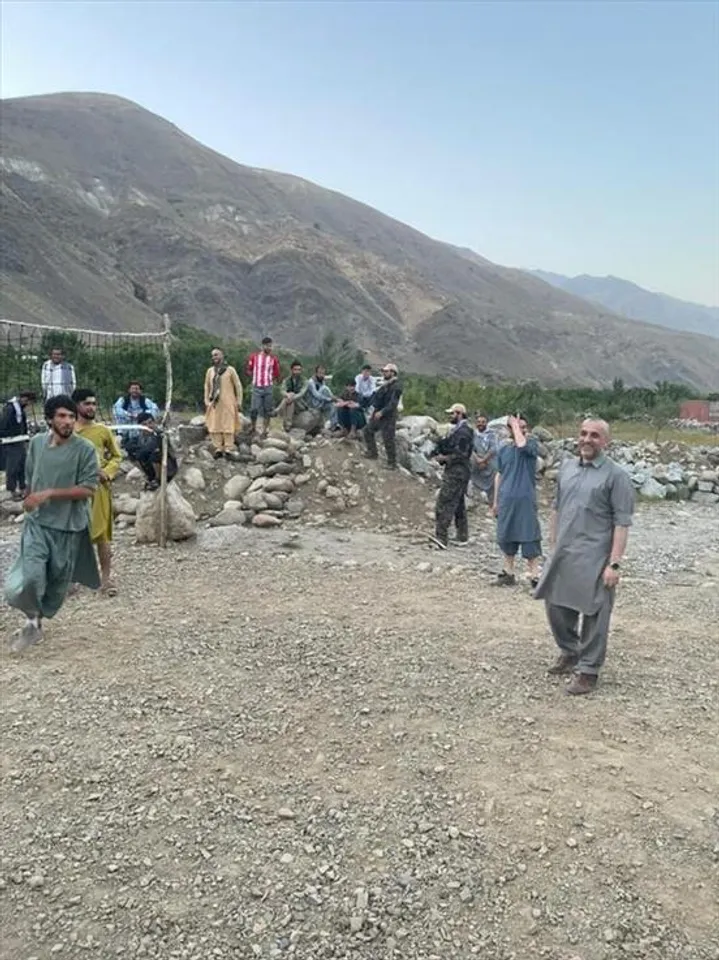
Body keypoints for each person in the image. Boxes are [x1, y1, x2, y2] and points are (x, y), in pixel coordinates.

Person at [535, 419, 635, 696]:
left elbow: (622, 523)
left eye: (595, 435)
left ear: (606, 442)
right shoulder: (567, 468)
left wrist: (614, 563)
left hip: (596, 556)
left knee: (595, 613)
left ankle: (589, 670)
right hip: (564, 553)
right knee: (555, 606)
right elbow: (556, 507)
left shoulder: (616, 476)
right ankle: (570, 651)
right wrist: (553, 545)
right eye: (583, 434)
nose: (587, 439)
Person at [3, 394, 100, 652]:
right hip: (37, 524)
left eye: (71, 416)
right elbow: (32, 477)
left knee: (55, 585)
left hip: (68, 527)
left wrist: (49, 494)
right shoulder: (36, 444)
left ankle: (38, 617)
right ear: (49, 419)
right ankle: (32, 623)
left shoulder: (85, 450)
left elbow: (88, 489)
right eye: (61, 416)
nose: (68, 421)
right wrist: (30, 498)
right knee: (30, 578)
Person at [72, 388, 122, 596]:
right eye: (87, 404)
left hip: (98, 489)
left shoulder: (103, 430)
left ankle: (106, 580)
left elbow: (116, 457)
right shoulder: (67, 430)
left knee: (102, 535)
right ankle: (71, 580)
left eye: (94, 403)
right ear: (76, 406)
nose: (91, 407)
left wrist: (107, 473)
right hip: (73, 490)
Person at [493, 415, 542, 587]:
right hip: (507, 499)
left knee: (530, 536)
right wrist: (495, 501)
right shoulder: (504, 450)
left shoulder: (531, 445)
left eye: (524, 426)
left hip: (525, 500)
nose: (522, 429)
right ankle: (508, 573)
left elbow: (521, 444)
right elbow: (499, 474)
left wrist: (515, 426)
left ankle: (535, 576)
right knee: (506, 535)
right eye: (518, 426)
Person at [430, 403, 474, 547]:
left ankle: (441, 537)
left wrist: (445, 458)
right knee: (458, 503)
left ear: (459, 414)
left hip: (457, 471)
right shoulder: (459, 430)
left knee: (444, 502)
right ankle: (462, 535)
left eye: (452, 413)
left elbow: (462, 454)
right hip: (460, 471)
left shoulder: (464, 432)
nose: (450, 416)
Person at [203, 347, 243, 459]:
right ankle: (218, 448)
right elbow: (207, 386)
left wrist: (239, 400)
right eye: (213, 355)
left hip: (228, 401)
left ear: (222, 355)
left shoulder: (230, 370)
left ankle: (228, 448)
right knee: (215, 424)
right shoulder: (210, 371)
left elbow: (238, 385)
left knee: (228, 424)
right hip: (214, 403)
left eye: (216, 354)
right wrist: (206, 400)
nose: (214, 357)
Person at [364, 363, 402, 469]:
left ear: (393, 373)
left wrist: (382, 412)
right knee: (367, 430)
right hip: (378, 413)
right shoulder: (385, 385)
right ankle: (372, 453)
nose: (384, 373)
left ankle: (392, 463)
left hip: (388, 416)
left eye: (386, 371)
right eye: (384, 371)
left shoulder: (396, 386)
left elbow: (393, 403)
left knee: (388, 439)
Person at [0, 390, 36, 500]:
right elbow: (3, 425)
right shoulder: (10, 408)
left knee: (22, 465)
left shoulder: (20, 409)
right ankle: (12, 490)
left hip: (20, 441)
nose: (29, 405)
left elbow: (22, 425)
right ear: (25, 399)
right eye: (30, 402)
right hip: (10, 443)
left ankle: (22, 487)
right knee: (12, 467)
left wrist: (26, 434)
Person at [131, 412, 178, 490]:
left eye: (150, 422)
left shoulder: (160, 434)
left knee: (155, 454)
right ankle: (150, 476)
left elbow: (153, 447)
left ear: (154, 422)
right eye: (144, 424)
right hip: (151, 465)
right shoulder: (141, 437)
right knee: (134, 455)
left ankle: (158, 480)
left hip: (167, 467)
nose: (148, 426)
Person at [246, 336, 281, 438]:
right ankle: (253, 427)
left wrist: (271, 379)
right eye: (267, 346)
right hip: (257, 386)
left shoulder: (273, 359)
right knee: (254, 409)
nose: (269, 348)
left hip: (268, 387)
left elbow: (276, 373)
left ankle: (265, 430)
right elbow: (249, 369)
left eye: (270, 346)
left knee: (267, 410)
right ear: (262, 346)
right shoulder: (254, 357)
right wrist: (254, 376)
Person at [113, 380, 160, 450]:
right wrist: (128, 415)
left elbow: (155, 409)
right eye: (133, 388)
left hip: (139, 433)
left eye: (137, 389)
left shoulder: (145, 401)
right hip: (123, 432)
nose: (135, 391)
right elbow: (116, 409)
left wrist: (141, 415)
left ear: (140, 391)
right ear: (129, 390)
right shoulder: (123, 400)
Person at [469, 413, 499, 507]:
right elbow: (470, 448)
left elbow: (493, 449)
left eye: (483, 422)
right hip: (477, 461)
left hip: (489, 462)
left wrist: (484, 460)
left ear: (487, 423)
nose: (480, 424)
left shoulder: (492, 435)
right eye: (478, 422)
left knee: (494, 482)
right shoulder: (473, 434)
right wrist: (478, 459)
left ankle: (494, 504)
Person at [274, 360, 307, 431]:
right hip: (289, 402)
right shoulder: (287, 380)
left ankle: (277, 410)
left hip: (300, 403)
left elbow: (302, 393)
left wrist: (292, 396)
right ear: (291, 370)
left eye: (299, 370)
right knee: (290, 401)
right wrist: (288, 395)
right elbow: (282, 390)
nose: (297, 372)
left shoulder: (304, 380)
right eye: (295, 369)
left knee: (290, 398)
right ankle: (288, 425)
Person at [302, 366, 335, 434]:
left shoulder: (322, 381)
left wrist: (331, 399)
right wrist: (329, 399)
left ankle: (333, 425)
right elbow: (316, 395)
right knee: (325, 388)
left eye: (323, 373)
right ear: (316, 373)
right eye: (320, 373)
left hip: (320, 403)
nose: (321, 375)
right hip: (312, 403)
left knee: (332, 406)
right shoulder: (311, 382)